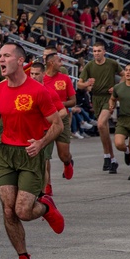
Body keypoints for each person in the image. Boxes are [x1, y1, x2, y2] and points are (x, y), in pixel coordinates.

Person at [0, 43, 64, 259]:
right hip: (5, 152)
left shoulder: (38, 91)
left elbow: (57, 124)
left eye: (6, 56)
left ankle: (45, 207)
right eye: (0, 56)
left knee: (23, 211)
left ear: (20, 61)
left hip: (29, 153)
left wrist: (41, 143)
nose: (1, 60)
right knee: (8, 210)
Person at [77, 43, 121, 173]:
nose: (96, 53)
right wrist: (86, 84)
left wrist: (118, 88)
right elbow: (79, 84)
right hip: (96, 98)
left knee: (101, 124)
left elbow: (124, 75)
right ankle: (111, 158)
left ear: (104, 52)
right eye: (94, 51)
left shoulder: (112, 63)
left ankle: (106, 155)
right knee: (103, 129)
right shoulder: (89, 65)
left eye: (99, 51)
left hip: (109, 97)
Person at [40, 48, 76, 189]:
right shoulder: (41, 78)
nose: (61, 62)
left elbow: (73, 101)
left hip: (62, 118)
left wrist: (58, 105)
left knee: (64, 154)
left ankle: (67, 162)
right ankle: (47, 186)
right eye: (58, 60)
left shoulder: (64, 78)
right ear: (50, 63)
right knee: (45, 156)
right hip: (46, 120)